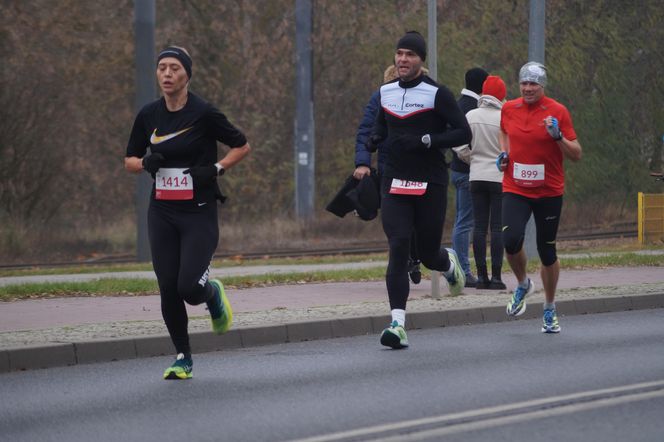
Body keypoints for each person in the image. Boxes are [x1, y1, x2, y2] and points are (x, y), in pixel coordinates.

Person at [124, 46, 251, 378]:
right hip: (162, 210)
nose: (167, 74)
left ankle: (212, 294)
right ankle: (183, 357)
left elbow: (242, 145)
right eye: (162, 68)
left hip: (198, 211)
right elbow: (129, 161)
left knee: (189, 288)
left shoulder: (204, 113)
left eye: (174, 68)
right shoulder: (148, 115)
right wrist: (144, 163)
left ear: (187, 75)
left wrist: (216, 169)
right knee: (168, 286)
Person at [370, 31, 471, 349]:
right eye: (399, 54)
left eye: (409, 55)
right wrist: (373, 139)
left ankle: (447, 262)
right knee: (399, 246)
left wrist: (428, 140)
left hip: (430, 182)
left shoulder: (437, 94)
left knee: (427, 253)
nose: (402, 60)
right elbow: (381, 125)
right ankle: (397, 324)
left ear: (420, 60)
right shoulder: (385, 92)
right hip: (396, 181)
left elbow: (462, 132)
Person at [498, 62, 582, 333]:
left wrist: (557, 136)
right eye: (524, 83)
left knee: (547, 252)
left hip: (548, 191)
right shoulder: (509, 108)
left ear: (542, 85)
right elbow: (503, 130)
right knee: (510, 240)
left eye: (533, 83)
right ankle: (523, 284)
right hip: (515, 187)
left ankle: (549, 308)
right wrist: (504, 153)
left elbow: (576, 153)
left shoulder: (557, 111)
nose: (528, 88)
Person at [354, 64, 423, 284]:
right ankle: (402, 261)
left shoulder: (425, 95)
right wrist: (363, 162)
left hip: (419, 168)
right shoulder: (380, 98)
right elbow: (366, 130)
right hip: (389, 169)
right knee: (395, 220)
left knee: (417, 220)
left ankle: (414, 255)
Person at [464, 75, 508, 290]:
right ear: (502, 95)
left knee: (479, 228)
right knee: (498, 228)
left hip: (476, 176)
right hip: (499, 178)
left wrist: (471, 158)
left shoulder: (471, 115)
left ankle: (481, 277)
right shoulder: (505, 117)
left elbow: (459, 145)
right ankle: (497, 277)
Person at [451, 68, 489, 288]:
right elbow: (459, 141)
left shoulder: (459, 103)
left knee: (462, 221)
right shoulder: (470, 107)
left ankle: (460, 269)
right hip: (467, 172)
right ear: (482, 85)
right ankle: (463, 271)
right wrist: (475, 160)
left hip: (458, 171)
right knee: (465, 223)